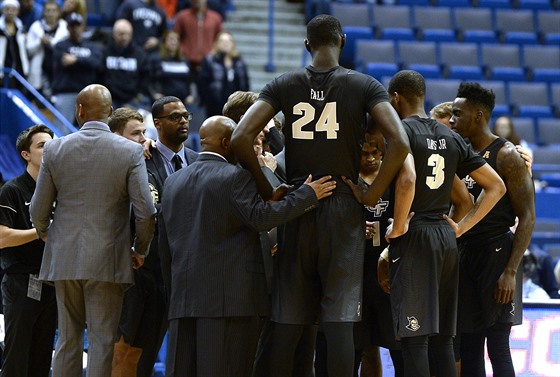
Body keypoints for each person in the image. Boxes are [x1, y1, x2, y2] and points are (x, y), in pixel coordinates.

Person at [231, 14, 410, 377]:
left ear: (307, 45)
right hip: (343, 205)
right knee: (340, 321)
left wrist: (271, 189)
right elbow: (400, 142)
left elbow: (239, 138)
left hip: (298, 202)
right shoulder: (365, 85)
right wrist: (371, 192)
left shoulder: (283, 83)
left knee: (289, 321)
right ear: (342, 40)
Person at [159, 115, 337, 377]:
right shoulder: (235, 177)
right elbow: (262, 218)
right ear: (227, 143)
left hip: (182, 300)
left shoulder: (172, 181)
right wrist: (307, 195)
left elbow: (165, 247)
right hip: (229, 302)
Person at [363, 71, 506, 377]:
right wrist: (461, 227)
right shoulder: (451, 137)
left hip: (416, 237)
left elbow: (409, 179)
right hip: (446, 238)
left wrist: (398, 225)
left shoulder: (400, 131)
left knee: (414, 339)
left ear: (395, 99)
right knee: (443, 339)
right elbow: (494, 187)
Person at [30, 84, 157, 377]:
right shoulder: (129, 151)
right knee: (101, 341)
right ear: (110, 113)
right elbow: (146, 211)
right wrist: (140, 249)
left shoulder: (55, 147)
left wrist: (46, 233)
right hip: (109, 257)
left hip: (64, 255)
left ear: (79, 111)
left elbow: (38, 209)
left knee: (66, 338)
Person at [450, 82, 536, 377]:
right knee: (470, 344)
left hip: (497, 255)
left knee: (497, 346)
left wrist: (511, 271)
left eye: (457, 114)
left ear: (477, 115)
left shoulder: (507, 155)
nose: (451, 120)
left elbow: (528, 217)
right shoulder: (459, 152)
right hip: (466, 254)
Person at [0, 125, 57, 377]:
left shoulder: (59, 189)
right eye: (42, 146)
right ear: (26, 154)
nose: (49, 149)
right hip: (22, 281)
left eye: (52, 144)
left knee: (43, 357)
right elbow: (2, 238)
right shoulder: (12, 190)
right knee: (16, 355)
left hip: (54, 282)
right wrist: (40, 232)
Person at [51, 12, 102, 125]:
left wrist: (76, 60)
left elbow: (97, 63)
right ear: (68, 28)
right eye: (72, 26)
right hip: (66, 92)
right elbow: (64, 61)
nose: (75, 29)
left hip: (87, 94)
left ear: (82, 27)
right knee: (62, 129)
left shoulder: (91, 46)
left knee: (88, 129)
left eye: (77, 25)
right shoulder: (61, 45)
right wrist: (85, 62)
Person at [102, 18, 151, 109]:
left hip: (133, 100)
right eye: (121, 34)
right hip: (110, 100)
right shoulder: (105, 52)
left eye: (127, 34)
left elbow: (145, 78)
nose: (124, 37)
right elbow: (99, 75)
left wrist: (137, 97)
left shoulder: (140, 54)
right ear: (113, 34)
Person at [198, 31, 250, 117]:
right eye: (222, 41)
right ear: (217, 44)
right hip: (215, 105)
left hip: (236, 105)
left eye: (228, 41)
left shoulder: (239, 62)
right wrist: (207, 100)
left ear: (233, 44)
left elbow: (245, 82)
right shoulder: (210, 60)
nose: (225, 44)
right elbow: (202, 82)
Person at [26, 0, 68, 99]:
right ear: (43, 12)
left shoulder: (65, 27)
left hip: (58, 70)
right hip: (40, 70)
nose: (50, 14)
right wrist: (39, 43)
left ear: (59, 13)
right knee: (39, 99)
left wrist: (51, 43)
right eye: (48, 11)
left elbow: (66, 49)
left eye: (53, 11)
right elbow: (28, 51)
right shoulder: (35, 27)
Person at [173, 0, 223, 72]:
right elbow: (175, 36)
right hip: (186, 62)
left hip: (208, 63)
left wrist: (214, 52)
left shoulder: (215, 18)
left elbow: (220, 39)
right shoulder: (182, 16)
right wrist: (181, 51)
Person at [149, 30, 194, 105]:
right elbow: (149, 79)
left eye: (176, 39)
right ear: (164, 42)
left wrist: (192, 95)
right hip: (163, 102)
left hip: (183, 102)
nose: (174, 42)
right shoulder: (156, 59)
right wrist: (154, 93)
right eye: (171, 39)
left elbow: (191, 80)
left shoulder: (184, 60)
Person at [0, 0, 29, 84]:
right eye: (7, 9)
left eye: (13, 9)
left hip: (19, 71)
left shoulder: (22, 28)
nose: (10, 12)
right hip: (3, 71)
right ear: (2, 10)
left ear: (18, 11)